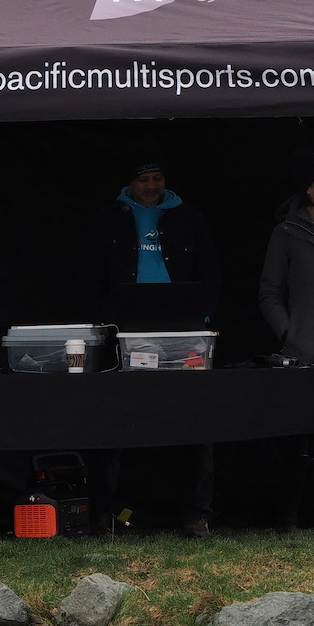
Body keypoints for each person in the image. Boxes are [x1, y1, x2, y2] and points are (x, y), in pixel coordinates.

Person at [91, 157, 222, 536]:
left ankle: (197, 514)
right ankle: (106, 513)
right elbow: (92, 275)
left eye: (157, 177)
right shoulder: (110, 218)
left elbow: (210, 272)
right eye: (144, 179)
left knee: (197, 421)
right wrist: (109, 321)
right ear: (130, 184)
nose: (152, 186)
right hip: (129, 335)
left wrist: (201, 315)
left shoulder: (188, 217)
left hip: (184, 334)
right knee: (117, 422)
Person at [257, 147, 314, 529]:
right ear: (307, 188)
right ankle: (289, 515)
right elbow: (269, 293)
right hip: (303, 350)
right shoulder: (286, 233)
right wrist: (289, 331)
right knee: (300, 440)